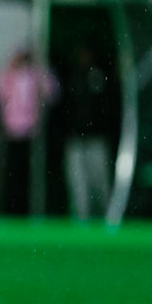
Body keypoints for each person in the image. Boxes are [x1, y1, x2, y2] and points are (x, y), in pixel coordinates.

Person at [0, 47, 56, 215]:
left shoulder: (36, 74)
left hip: (31, 134)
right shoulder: (8, 74)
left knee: (29, 175)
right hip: (13, 133)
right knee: (13, 174)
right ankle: (12, 209)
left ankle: (27, 208)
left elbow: (52, 92)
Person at [62, 41, 117, 221]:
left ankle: (105, 218)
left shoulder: (99, 76)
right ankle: (81, 218)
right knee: (79, 185)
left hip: (96, 138)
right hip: (77, 139)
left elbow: (107, 107)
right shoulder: (73, 78)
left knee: (99, 183)